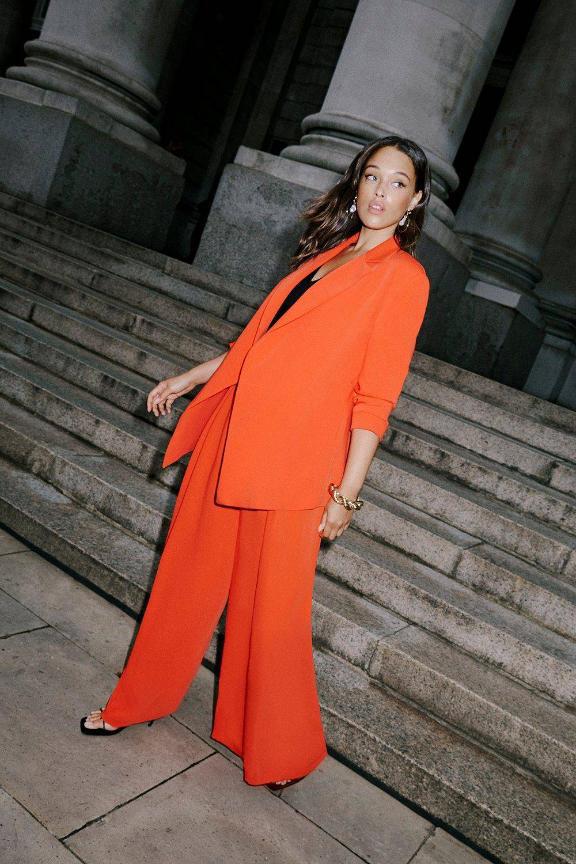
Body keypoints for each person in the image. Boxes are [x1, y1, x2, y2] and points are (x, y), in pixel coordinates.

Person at [80, 135, 431, 790]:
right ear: (356, 184)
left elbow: (375, 397)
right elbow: (258, 346)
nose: (380, 192)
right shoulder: (326, 257)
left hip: (298, 464)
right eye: (372, 176)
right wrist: (192, 377)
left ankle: (279, 748)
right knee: (185, 578)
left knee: (273, 612)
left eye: (397, 182)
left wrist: (347, 493)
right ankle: (138, 699)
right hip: (233, 436)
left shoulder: (404, 279)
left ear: (414, 201)